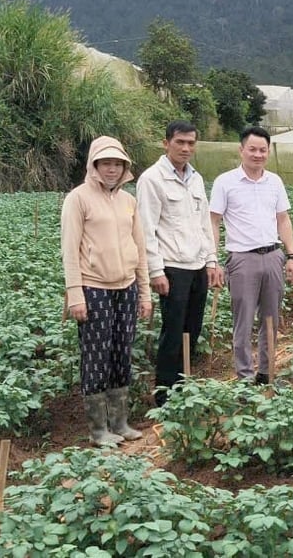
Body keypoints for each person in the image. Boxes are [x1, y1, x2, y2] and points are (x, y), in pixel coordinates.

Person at [60, 135, 153, 446]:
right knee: (96, 356)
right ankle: (99, 429)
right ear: (94, 165)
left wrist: (144, 293)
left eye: (117, 164)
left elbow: (139, 249)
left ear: (125, 167)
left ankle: (121, 423)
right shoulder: (78, 199)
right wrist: (76, 295)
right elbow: (69, 250)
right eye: (106, 163)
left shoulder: (128, 201)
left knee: (121, 353)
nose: (112, 169)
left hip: (126, 287)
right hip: (93, 287)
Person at [137, 121, 223, 407]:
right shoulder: (152, 179)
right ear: (166, 143)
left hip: (197, 266)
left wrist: (211, 260)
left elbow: (204, 224)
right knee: (173, 332)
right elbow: (146, 229)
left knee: (192, 330)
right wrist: (156, 271)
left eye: (191, 143)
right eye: (180, 142)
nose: (186, 148)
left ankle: (184, 388)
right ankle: (164, 396)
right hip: (172, 268)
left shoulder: (196, 178)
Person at [209, 126, 293, 384]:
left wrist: (291, 256)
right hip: (242, 259)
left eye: (263, 150)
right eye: (252, 149)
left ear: (268, 152)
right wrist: (212, 259)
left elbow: (283, 219)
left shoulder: (275, 182)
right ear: (241, 150)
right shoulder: (225, 182)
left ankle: (266, 374)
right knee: (244, 320)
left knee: (271, 319)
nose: (258, 154)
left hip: (273, 256)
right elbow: (213, 221)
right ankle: (245, 378)